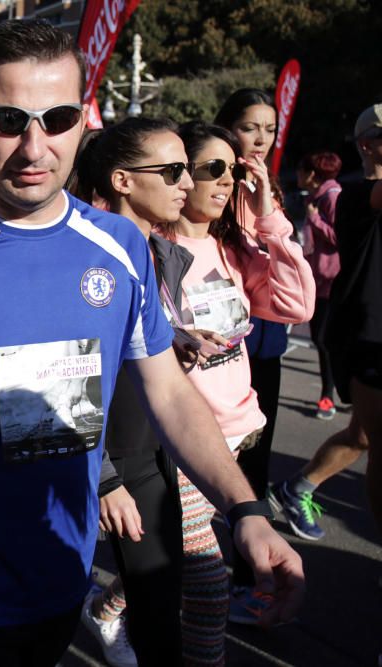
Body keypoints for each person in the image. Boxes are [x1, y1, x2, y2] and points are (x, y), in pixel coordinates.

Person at [0, 19, 304, 666]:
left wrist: (247, 506)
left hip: (64, 574)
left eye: (56, 118)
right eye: (8, 119)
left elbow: (169, 392)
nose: (34, 146)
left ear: (83, 122)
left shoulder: (119, 248)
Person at [159, 121, 313, 657]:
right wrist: (171, 336)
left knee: (174, 559)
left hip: (234, 438)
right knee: (206, 580)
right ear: (181, 175)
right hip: (177, 443)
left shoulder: (233, 251)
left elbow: (296, 306)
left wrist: (268, 214)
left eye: (235, 170)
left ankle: (107, 608)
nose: (226, 181)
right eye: (213, 169)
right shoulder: (151, 250)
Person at [72, 117, 195, 667]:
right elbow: (53, 370)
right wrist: (103, 478)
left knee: (163, 610)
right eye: (172, 171)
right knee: (33, 619)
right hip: (99, 460)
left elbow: (143, 347)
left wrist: (179, 342)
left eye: (187, 169)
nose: (186, 183)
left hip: (155, 448)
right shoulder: (80, 254)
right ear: (122, 180)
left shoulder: (161, 254)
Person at [212, 89, 314, 623]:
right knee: (203, 468)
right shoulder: (210, 188)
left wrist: (268, 208)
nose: (258, 139)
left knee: (253, 462)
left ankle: (244, 576)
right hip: (211, 353)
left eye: (268, 129)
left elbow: (294, 297)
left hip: (263, 343)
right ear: (226, 128)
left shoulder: (265, 199)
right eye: (249, 127)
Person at [270, 104, 382, 542]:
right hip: (366, 334)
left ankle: (297, 486)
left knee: (362, 437)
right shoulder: (354, 194)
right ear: (368, 145)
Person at [297, 152, 343, 419]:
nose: (299, 176)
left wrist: (315, 219)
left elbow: (340, 237)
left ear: (312, 174)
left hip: (332, 280)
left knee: (325, 340)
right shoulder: (318, 198)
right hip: (319, 279)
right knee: (321, 338)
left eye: (302, 171)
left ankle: (329, 396)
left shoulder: (332, 196)